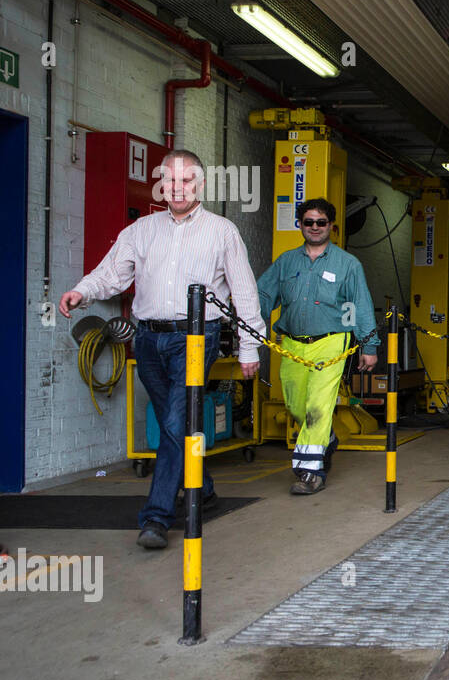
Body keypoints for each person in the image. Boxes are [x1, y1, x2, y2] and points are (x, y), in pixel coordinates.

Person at [60, 149, 264, 550]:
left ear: (200, 185)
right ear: (160, 183)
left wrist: (249, 347)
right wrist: (81, 291)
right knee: (177, 423)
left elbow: (244, 292)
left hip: (195, 337)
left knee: (173, 423)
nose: (177, 187)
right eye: (170, 180)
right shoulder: (141, 231)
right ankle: (201, 489)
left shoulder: (222, 232)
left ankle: (156, 517)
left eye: (186, 180)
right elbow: (112, 274)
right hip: (148, 339)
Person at [257, 199, 378, 494]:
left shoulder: (347, 265)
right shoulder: (286, 262)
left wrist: (368, 345)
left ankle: (310, 472)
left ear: (331, 227)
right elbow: (262, 295)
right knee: (297, 405)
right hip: (293, 344)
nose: (314, 227)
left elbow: (358, 305)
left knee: (317, 406)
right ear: (300, 224)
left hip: (332, 342)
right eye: (308, 222)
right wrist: (248, 327)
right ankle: (327, 437)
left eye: (320, 222)